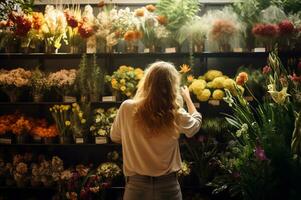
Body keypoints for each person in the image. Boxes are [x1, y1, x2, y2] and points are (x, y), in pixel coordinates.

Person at [110, 61, 202, 200]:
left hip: (136, 187)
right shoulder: (175, 113)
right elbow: (194, 127)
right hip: (168, 187)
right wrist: (188, 99)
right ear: (172, 86)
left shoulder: (127, 108)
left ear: (146, 82)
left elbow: (114, 136)